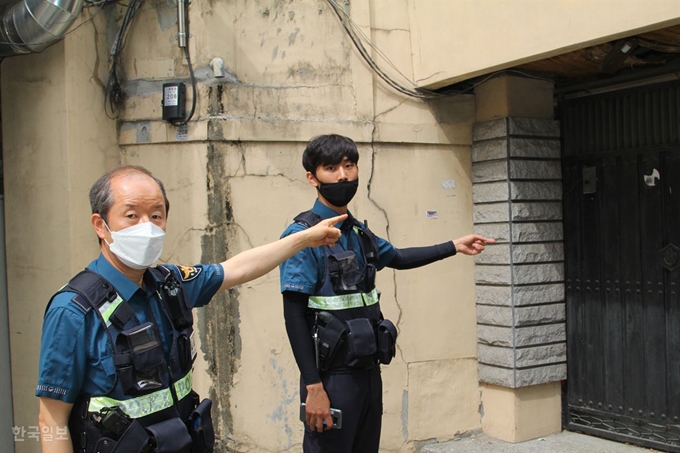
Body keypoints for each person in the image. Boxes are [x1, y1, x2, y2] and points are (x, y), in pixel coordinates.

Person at [36, 165, 346, 453]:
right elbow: (51, 419)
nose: (147, 227)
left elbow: (236, 269)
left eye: (156, 216)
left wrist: (305, 238)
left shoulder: (169, 285)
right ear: (100, 225)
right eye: (132, 216)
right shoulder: (74, 311)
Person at [279, 134, 496, 453]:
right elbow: (294, 315)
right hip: (331, 378)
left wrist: (453, 246)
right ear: (313, 177)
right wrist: (313, 387)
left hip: (367, 370)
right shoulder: (303, 237)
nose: (343, 176)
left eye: (349, 166)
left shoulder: (358, 232)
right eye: (331, 168)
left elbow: (397, 258)